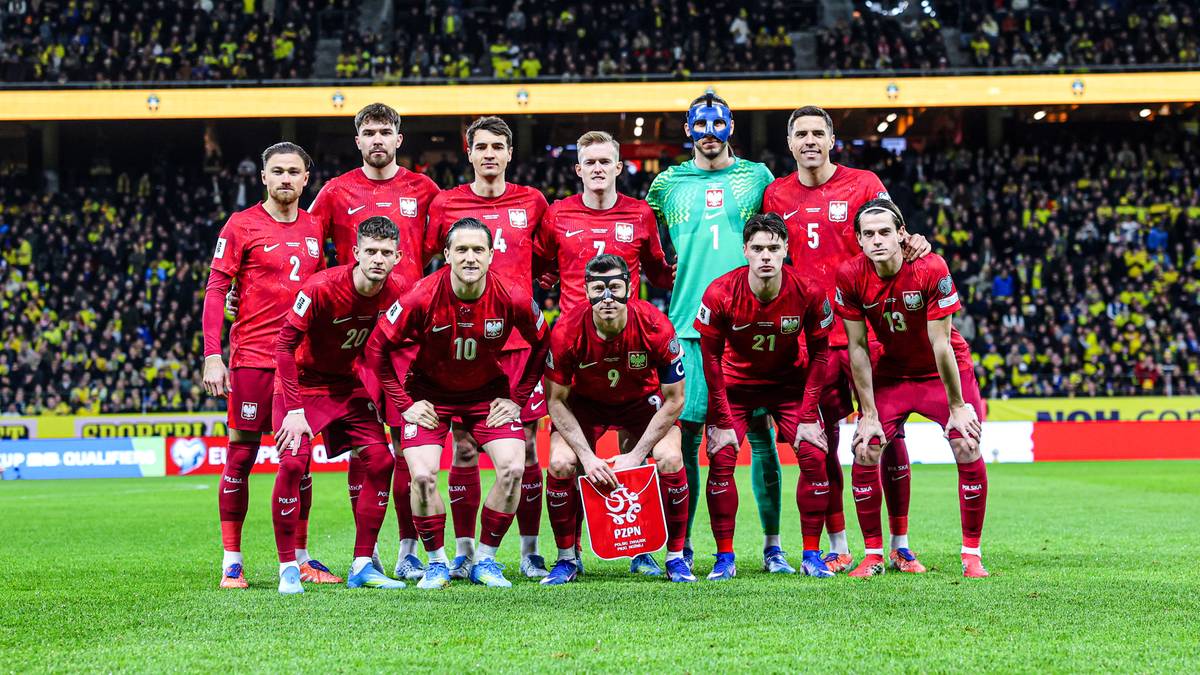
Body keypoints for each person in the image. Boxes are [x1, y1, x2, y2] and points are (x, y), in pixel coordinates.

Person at [762, 105, 931, 573]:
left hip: (868, 337)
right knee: (820, 444)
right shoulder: (775, 195)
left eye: (819, 132)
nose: (810, 140)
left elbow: (895, 235)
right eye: (802, 134)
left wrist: (917, 240)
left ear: (832, 139)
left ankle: (899, 542)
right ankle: (838, 544)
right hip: (810, 342)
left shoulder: (864, 184)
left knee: (889, 437)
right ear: (791, 143)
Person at [364, 218, 550, 589]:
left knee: (514, 468)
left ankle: (485, 559)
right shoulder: (420, 296)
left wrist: (516, 399)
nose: (469, 257)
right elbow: (375, 349)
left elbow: (544, 343)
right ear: (446, 254)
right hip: (428, 397)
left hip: (487, 396)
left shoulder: (512, 296)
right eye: (461, 250)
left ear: (491, 255)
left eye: (478, 250)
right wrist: (403, 404)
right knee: (422, 475)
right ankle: (435, 562)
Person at [646, 92, 788, 573]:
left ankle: (772, 547)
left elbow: (773, 240)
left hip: (751, 327)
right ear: (688, 129)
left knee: (761, 437)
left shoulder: (758, 177)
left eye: (718, 123)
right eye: (700, 124)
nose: (709, 131)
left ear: (731, 127)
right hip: (689, 325)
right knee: (687, 439)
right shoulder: (665, 185)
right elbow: (652, 250)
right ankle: (681, 547)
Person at [307, 101, 439, 582]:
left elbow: (442, 251)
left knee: (409, 444)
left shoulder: (424, 190)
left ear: (399, 139)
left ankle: (407, 548)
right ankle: (368, 554)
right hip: (354, 340)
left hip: (407, 338)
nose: (378, 139)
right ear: (358, 140)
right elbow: (308, 246)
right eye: (370, 132)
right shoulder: (335, 191)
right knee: (367, 449)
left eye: (386, 132)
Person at [201, 142, 335, 589]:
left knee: (299, 462)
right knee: (240, 456)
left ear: (305, 179)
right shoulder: (241, 225)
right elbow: (217, 289)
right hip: (252, 360)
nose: (284, 178)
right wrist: (212, 355)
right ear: (263, 177)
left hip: (300, 365)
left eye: (293, 172)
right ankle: (232, 561)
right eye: (276, 171)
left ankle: (301, 558)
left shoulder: (316, 227)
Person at [834, 199, 989, 579]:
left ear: (902, 234)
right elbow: (856, 346)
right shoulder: (850, 275)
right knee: (865, 447)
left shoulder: (931, 268)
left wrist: (957, 406)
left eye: (885, 232)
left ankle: (971, 554)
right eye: (868, 234)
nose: (877, 240)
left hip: (942, 373)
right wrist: (866, 413)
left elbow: (942, 344)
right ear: (858, 240)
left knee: (965, 442)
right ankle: (873, 554)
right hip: (894, 373)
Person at [425, 116, 550, 580]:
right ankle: (463, 551)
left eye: (499, 146)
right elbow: (427, 267)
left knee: (530, 453)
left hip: (517, 346)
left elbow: (553, 258)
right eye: (482, 146)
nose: (490, 154)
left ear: (509, 153)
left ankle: (530, 550)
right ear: (470, 153)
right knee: (461, 450)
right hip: (464, 346)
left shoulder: (533, 202)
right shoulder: (446, 203)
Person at [694, 213, 835, 580]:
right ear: (745, 251)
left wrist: (807, 416)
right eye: (758, 249)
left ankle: (811, 554)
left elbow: (821, 354)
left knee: (814, 453)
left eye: (774, 248)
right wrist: (722, 420)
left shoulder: (809, 291)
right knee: (722, 455)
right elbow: (710, 357)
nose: (766, 256)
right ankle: (725, 557)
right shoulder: (720, 292)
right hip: (736, 387)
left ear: (786, 249)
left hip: (788, 386)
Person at [272, 216, 405, 593]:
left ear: (397, 256)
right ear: (356, 253)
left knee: (381, 460)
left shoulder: (396, 293)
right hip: (298, 386)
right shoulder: (320, 288)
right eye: (371, 252)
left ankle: (363, 563)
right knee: (294, 463)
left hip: (344, 384)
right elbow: (282, 346)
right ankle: (287, 568)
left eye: (386, 253)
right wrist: (294, 410)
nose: (378, 259)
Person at [541, 255, 693, 585]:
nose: (607, 297)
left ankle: (676, 557)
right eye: (598, 288)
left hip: (642, 403)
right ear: (586, 290)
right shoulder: (566, 330)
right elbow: (555, 402)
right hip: (586, 405)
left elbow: (676, 399)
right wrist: (588, 458)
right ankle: (567, 558)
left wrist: (636, 456)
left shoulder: (655, 325)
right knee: (559, 463)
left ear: (629, 287)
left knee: (671, 457)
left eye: (614, 287)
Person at [534, 130, 675, 317]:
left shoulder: (641, 214)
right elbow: (535, 266)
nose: (597, 168)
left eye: (605, 162)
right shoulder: (557, 213)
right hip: (574, 335)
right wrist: (547, 273)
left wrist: (678, 273)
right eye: (590, 162)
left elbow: (657, 274)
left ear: (618, 168)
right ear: (578, 170)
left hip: (623, 333)